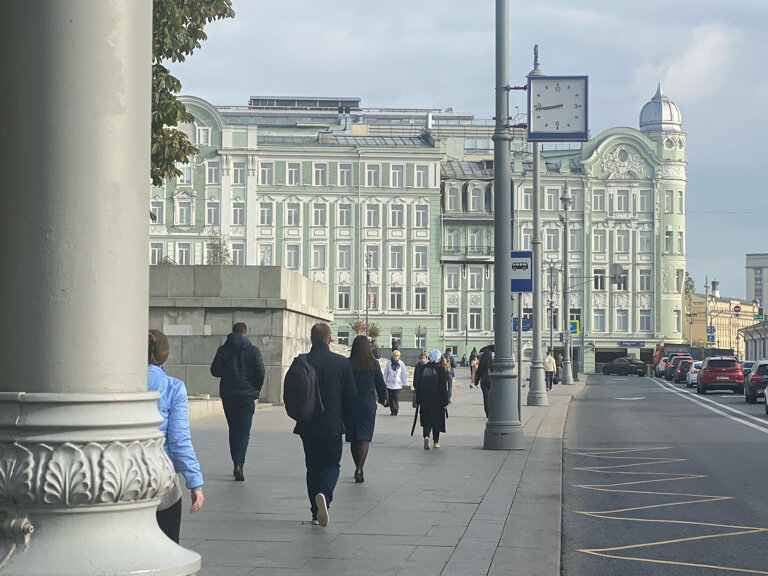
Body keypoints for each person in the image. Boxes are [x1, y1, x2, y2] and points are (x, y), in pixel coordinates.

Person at [294, 323, 356, 527]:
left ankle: (315, 512)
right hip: (332, 424)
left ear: (311, 339)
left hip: (307, 424)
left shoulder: (301, 361)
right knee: (332, 464)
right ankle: (325, 495)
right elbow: (351, 396)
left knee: (312, 467)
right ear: (330, 339)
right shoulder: (341, 363)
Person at [147, 330, 204, 543]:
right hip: (162, 478)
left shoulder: (119, 384)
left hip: (122, 475)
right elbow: (179, 441)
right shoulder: (173, 387)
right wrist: (195, 483)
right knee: (167, 548)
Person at [210, 322, 265, 482]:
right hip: (247, 396)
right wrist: (255, 389)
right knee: (244, 431)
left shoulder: (223, 350)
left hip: (228, 394)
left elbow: (215, 371)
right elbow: (260, 372)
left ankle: (236, 462)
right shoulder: (254, 351)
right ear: (246, 333)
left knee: (233, 429)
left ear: (232, 333)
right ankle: (239, 464)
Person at [347, 335, 388, 483]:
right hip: (367, 403)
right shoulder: (373, 364)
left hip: (351, 403)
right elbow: (380, 384)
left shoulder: (348, 363)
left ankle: (356, 465)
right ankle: (359, 468)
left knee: (353, 437)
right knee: (364, 437)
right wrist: (383, 399)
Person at [415, 349, 449, 449]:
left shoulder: (423, 368)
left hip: (425, 399)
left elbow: (419, 385)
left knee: (426, 420)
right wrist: (445, 401)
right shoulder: (440, 369)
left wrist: (418, 400)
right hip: (437, 400)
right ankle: (436, 442)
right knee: (436, 420)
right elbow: (443, 387)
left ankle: (426, 436)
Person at [383, 349, 407, 415]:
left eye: (397, 356)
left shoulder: (401, 363)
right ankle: (392, 410)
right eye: (394, 356)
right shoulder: (389, 363)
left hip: (397, 384)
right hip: (389, 383)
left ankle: (396, 410)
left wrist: (404, 382)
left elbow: (403, 373)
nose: (395, 357)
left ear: (399, 356)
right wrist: (384, 381)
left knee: (396, 397)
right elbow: (385, 373)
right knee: (390, 398)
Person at [474, 348, 493, 417]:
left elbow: (478, 373)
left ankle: (487, 412)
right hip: (491, 381)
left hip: (484, 381)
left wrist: (476, 382)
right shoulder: (492, 362)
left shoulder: (482, 363)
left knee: (486, 397)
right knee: (492, 397)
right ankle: (492, 411)